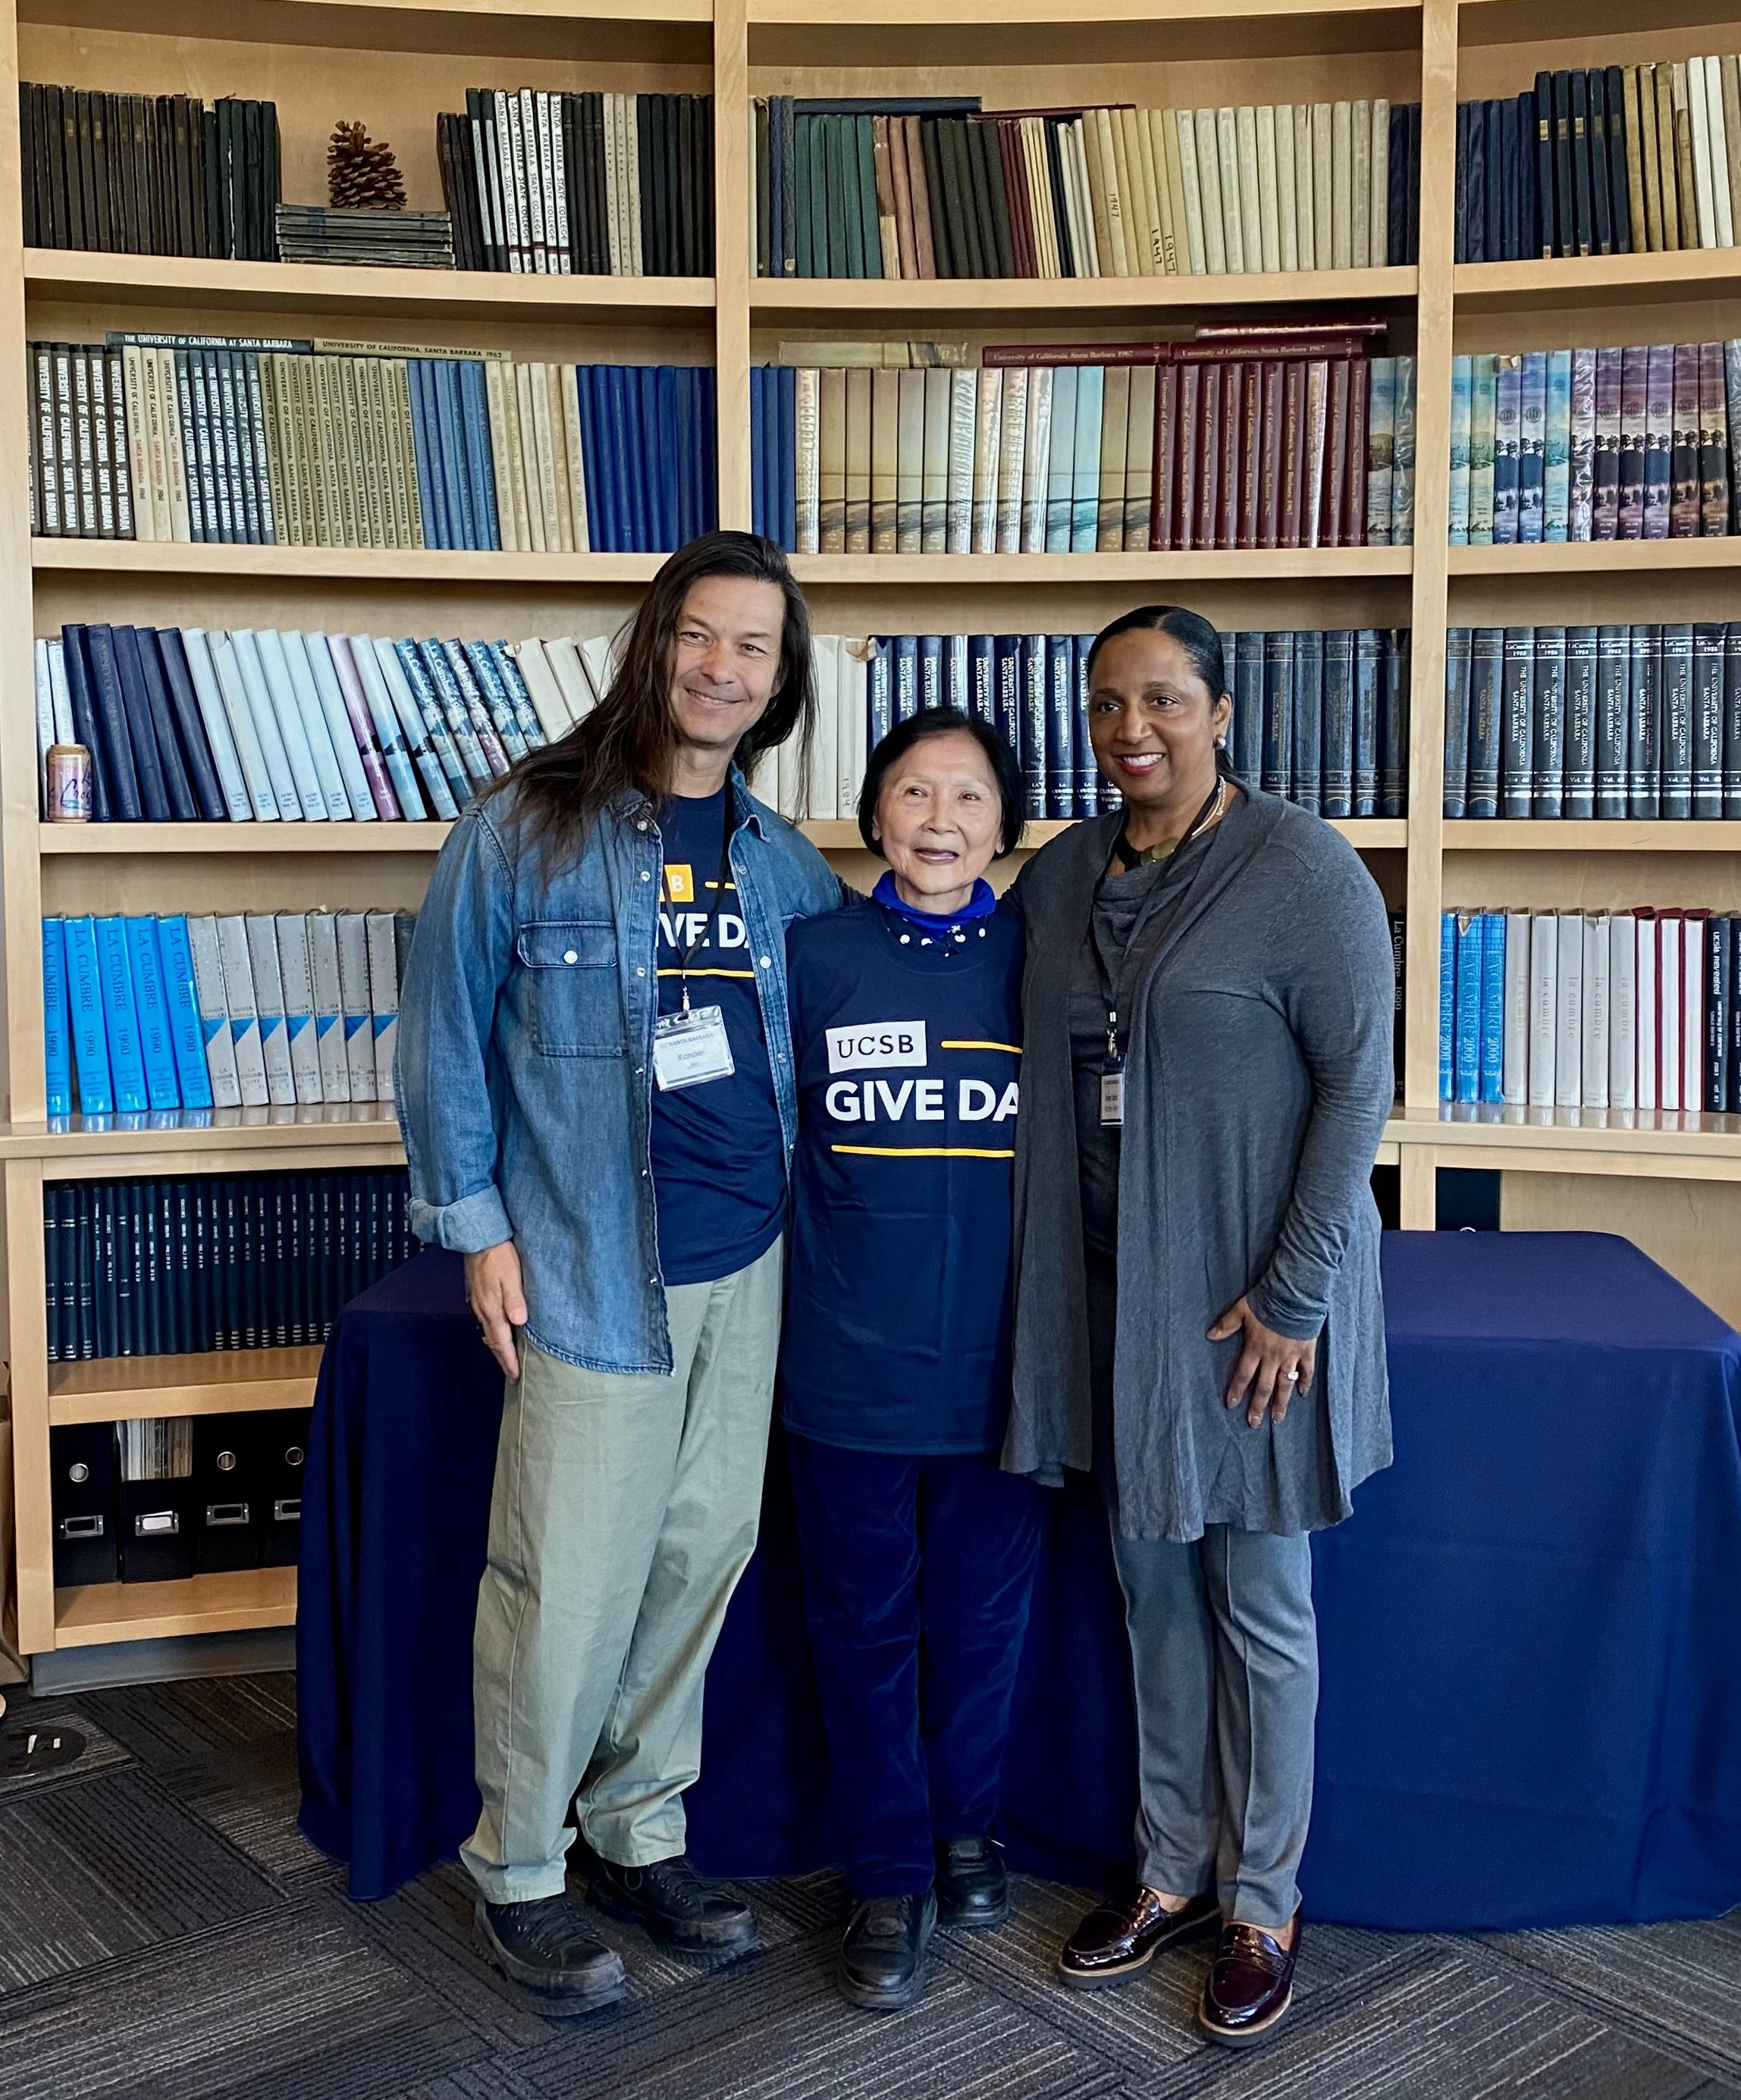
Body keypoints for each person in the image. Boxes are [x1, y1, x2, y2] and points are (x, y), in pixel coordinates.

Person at [396, 532, 842, 2010]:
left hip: (751, 1266)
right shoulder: (524, 826)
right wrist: (477, 1228)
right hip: (591, 1265)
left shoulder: (784, 863)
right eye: (700, 635)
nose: (721, 667)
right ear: (653, 642)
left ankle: (638, 1827)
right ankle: (518, 1864)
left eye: (754, 649)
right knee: (563, 1578)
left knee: (696, 1559)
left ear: (780, 683)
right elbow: (445, 1033)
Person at [1002, 606, 1394, 2047]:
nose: (1131, 730)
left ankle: (1266, 1900)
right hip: (1114, 1301)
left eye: (1163, 699)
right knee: (1151, 1596)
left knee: (1262, 1607)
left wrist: (1295, 1295)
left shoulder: (1304, 869)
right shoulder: (1057, 879)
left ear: (1222, 711)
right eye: (1107, 705)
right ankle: (1172, 1866)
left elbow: (1357, 1091)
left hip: (1252, 1313)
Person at [780, 709, 1045, 2012]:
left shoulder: (1046, 962)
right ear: (874, 810)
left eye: (970, 798)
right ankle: (888, 1869)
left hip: (1009, 1374)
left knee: (983, 1622)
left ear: (1008, 825)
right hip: (845, 1371)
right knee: (864, 1627)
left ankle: (966, 1829)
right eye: (915, 791)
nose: (941, 821)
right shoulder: (812, 956)